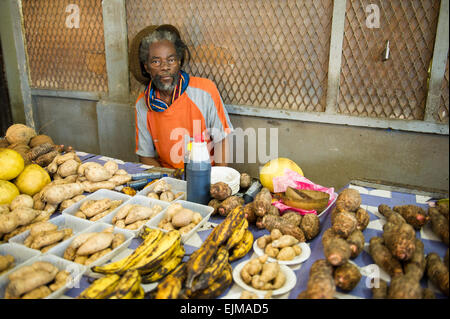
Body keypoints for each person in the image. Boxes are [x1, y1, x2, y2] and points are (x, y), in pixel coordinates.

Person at [133, 25, 233, 169]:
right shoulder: (143, 103)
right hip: (168, 176)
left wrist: (215, 180)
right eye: (156, 61)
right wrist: (171, 180)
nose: (165, 67)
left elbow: (222, 140)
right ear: (147, 67)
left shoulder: (204, 91)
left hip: (205, 174)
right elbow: (145, 156)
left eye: (171, 60)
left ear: (179, 62)